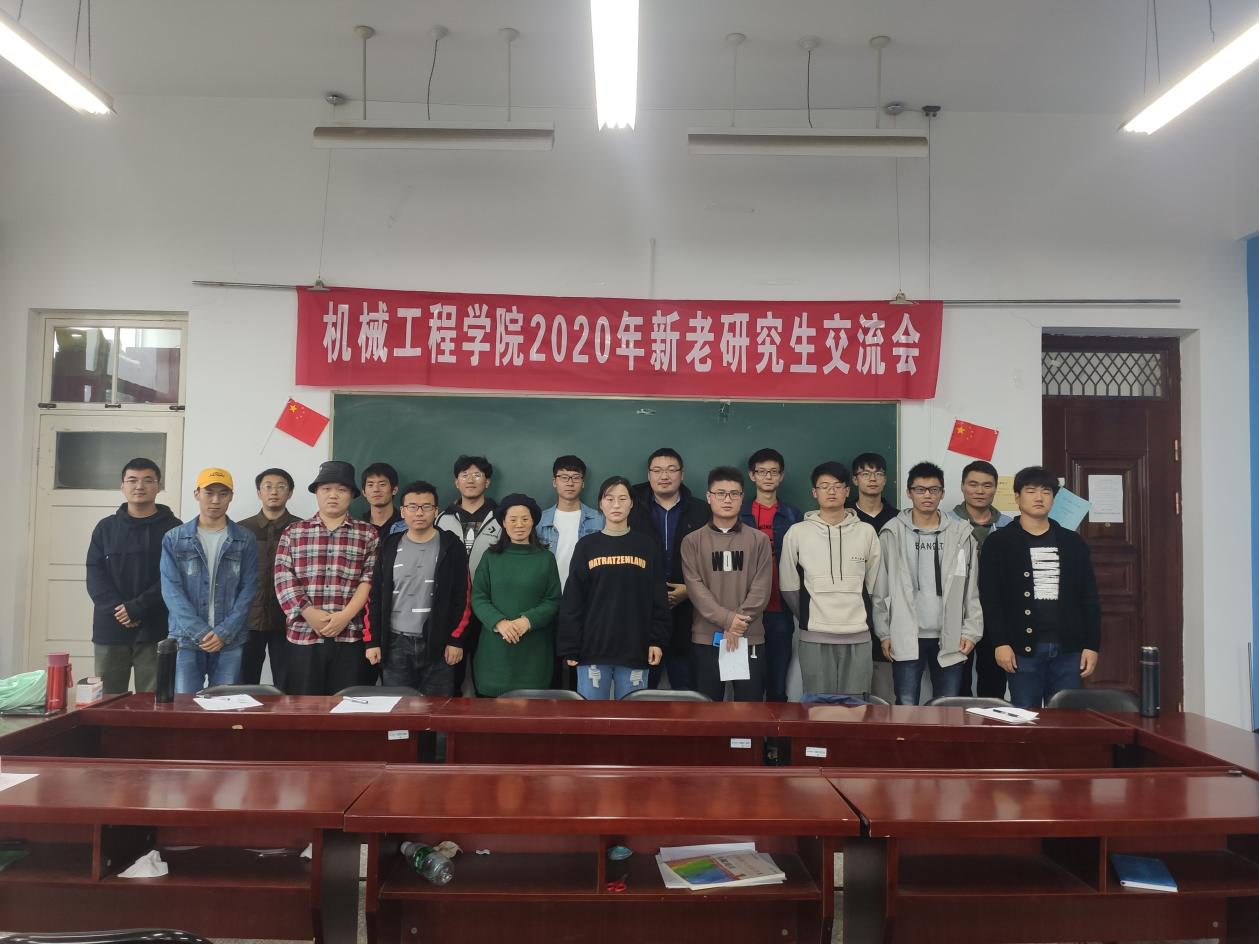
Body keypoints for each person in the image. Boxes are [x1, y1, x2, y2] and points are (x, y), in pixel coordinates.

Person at [979, 466, 1101, 709]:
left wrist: (1091, 645)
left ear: (1053, 499)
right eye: (1031, 491)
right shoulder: (999, 542)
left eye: (1046, 492)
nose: (1039, 497)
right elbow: (991, 598)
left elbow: (1089, 597)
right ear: (1017, 497)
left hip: (1068, 648)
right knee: (1026, 716)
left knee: (1066, 719)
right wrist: (1000, 642)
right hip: (1021, 649)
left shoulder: (1073, 542)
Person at [872, 461, 982, 706]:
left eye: (934, 490)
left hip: (951, 635)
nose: (927, 496)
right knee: (906, 705)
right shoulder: (892, 533)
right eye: (920, 490)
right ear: (909, 493)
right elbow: (880, 589)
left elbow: (970, 589)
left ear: (942, 494)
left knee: (947, 706)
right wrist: (884, 633)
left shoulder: (960, 534)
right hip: (904, 634)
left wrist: (971, 631)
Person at [559, 476, 671, 700]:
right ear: (601, 504)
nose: (616, 505)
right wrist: (571, 645)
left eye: (622, 499)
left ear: (631, 504)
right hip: (592, 649)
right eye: (609, 499)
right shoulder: (587, 546)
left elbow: (658, 598)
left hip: (635, 648)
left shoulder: (646, 546)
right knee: (591, 716)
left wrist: (656, 640)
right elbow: (573, 599)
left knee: (632, 717)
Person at [274, 460, 379, 695]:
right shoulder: (294, 532)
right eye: (326, 489)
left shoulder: (367, 534)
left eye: (341, 490)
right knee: (303, 707)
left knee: (347, 706)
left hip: (350, 635)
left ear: (352, 495)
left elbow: (369, 580)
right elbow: (283, 578)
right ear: (316, 493)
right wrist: (309, 613)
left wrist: (345, 616)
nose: (333, 495)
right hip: (304, 634)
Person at [779, 462, 882, 698]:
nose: (831, 491)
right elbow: (788, 585)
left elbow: (874, 585)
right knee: (818, 705)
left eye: (837, 486)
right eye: (824, 486)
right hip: (815, 636)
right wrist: (809, 615)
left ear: (847, 490)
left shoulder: (866, 532)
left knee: (856, 706)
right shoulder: (797, 532)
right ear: (814, 492)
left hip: (858, 635)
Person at [364, 481, 472, 695]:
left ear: (436, 511)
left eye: (426, 506)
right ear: (403, 511)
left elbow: (463, 596)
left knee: (438, 709)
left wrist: (455, 640)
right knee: (399, 708)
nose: (419, 513)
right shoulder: (389, 545)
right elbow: (374, 596)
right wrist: (372, 641)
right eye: (412, 507)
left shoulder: (452, 546)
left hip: (439, 644)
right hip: (395, 644)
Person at [85, 458, 181, 694]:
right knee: (107, 700)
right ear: (122, 486)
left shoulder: (175, 529)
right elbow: (95, 573)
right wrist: (120, 609)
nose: (139, 486)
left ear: (158, 486)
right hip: (111, 627)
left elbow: (173, 578)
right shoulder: (105, 528)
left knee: (153, 702)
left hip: (156, 628)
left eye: (148, 480)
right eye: (132, 480)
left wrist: (137, 608)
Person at [159, 469, 258, 694]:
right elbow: (171, 591)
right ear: (197, 494)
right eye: (209, 493)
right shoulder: (174, 538)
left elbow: (248, 590)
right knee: (185, 707)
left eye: (223, 494)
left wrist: (224, 632)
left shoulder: (245, 539)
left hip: (230, 639)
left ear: (231, 497)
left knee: (225, 706)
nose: (215, 500)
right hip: (186, 638)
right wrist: (200, 632)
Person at [682, 467, 773, 702]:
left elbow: (762, 588)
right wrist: (727, 620)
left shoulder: (759, 540)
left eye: (734, 494)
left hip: (749, 637)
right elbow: (695, 589)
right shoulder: (692, 541)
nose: (727, 499)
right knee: (707, 710)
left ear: (742, 498)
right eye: (720, 493)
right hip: (707, 639)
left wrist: (736, 624)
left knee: (749, 709)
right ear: (709, 497)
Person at [628, 447, 709, 691]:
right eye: (657, 470)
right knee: (641, 692)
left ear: (682, 474)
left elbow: (711, 561)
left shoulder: (702, 511)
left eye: (671, 470)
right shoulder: (631, 510)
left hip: (689, 613)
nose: (664, 475)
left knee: (687, 690)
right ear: (649, 475)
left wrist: (690, 590)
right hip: (643, 614)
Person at [471, 494, 563, 696]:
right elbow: (478, 596)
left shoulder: (546, 558)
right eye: (512, 519)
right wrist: (499, 622)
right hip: (495, 652)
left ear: (533, 522)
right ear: (504, 523)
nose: (519, 524)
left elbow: (553, 599)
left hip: (534, 655)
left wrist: (527, 621)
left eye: (525, 519)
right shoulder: (491, 557)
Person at [739, 448, 803, 702]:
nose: (768, 477)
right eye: (762, 472)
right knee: (747, 686)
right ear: (752, 475)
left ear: (781, 476)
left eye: (773, 472)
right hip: (745, 610)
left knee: (777, 684)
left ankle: (777, 729)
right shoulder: (738, 514)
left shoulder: (793, 515)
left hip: (780, 609)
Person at [948, 459, 1014, 698]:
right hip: (958, 613)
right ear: (962, 486)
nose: (979, 491)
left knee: (993, 682)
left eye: (987, 485)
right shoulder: (947, 523)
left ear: (995, 488)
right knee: (957, 682)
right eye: (973, 484)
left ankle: (989, 722)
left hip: (996, 612)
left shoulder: (1008, 526)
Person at [436, 455, 501, 693]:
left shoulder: (502, 518)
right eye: (464, 475)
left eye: (477, 475)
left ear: (488, 482)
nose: (470, 480)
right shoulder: (441, 518)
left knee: (487, 673)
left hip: (490, 606)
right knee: (449, 674)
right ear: (456, 482)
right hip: (452, 606)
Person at [237, 467, 300, 688]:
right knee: (244, 685)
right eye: (268, 487)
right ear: (259, 492)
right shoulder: (242, 529)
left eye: (281, 487)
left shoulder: (301, 529)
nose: (274, 492)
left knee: (288, 684)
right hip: (247, 620)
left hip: (288, 620)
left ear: (290, 493)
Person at [849, 452, 899, 704]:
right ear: (855, 480)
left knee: (883, 694)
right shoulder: (844, 517)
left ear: (885, 479)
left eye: (878, 473)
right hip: (850, 609)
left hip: (889, 611)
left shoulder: (899, 519)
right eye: (866, 473)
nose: (872, 479)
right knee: (850, 693)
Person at [536, 455, 604, 591]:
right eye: (564, 477)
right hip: (548, 594)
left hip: (587, 593)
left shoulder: (600, 520)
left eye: (576, 477)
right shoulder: (539, 521)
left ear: (583, 483)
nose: (570, 483)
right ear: (554, 482)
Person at [359, 462, 403, 537]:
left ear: (394, 490)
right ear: (364, 492)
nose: (376, 489)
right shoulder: (358, 526)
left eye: (382, 484)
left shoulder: (406, 525)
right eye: (370, 485)